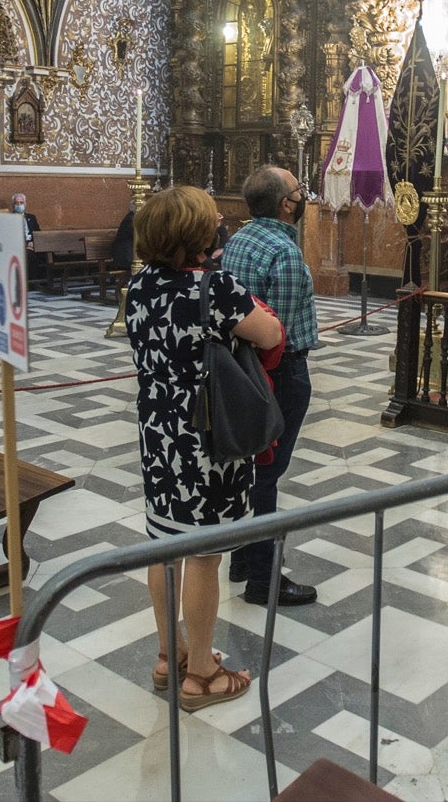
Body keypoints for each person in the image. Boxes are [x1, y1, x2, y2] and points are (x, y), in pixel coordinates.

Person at [126, 185, 281, 710]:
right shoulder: (214, 287)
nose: (220, 221)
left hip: (158, 431)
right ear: (197, 232)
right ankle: (202, 676)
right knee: (206, 555)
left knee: (164, 546)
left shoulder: (140, 283)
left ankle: (170, 655)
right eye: (212, 217)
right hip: (207, 436)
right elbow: (266, 334)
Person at [219, 168, 319, 608]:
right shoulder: (286, 252)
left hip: (240, 368)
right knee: (268, 473)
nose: (304, 197)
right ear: (285, 204)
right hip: (280, 372)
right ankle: (264, 578)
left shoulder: (238, 239)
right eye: (300, 191)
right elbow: (283, 331)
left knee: (249, 467)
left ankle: (242, 557)